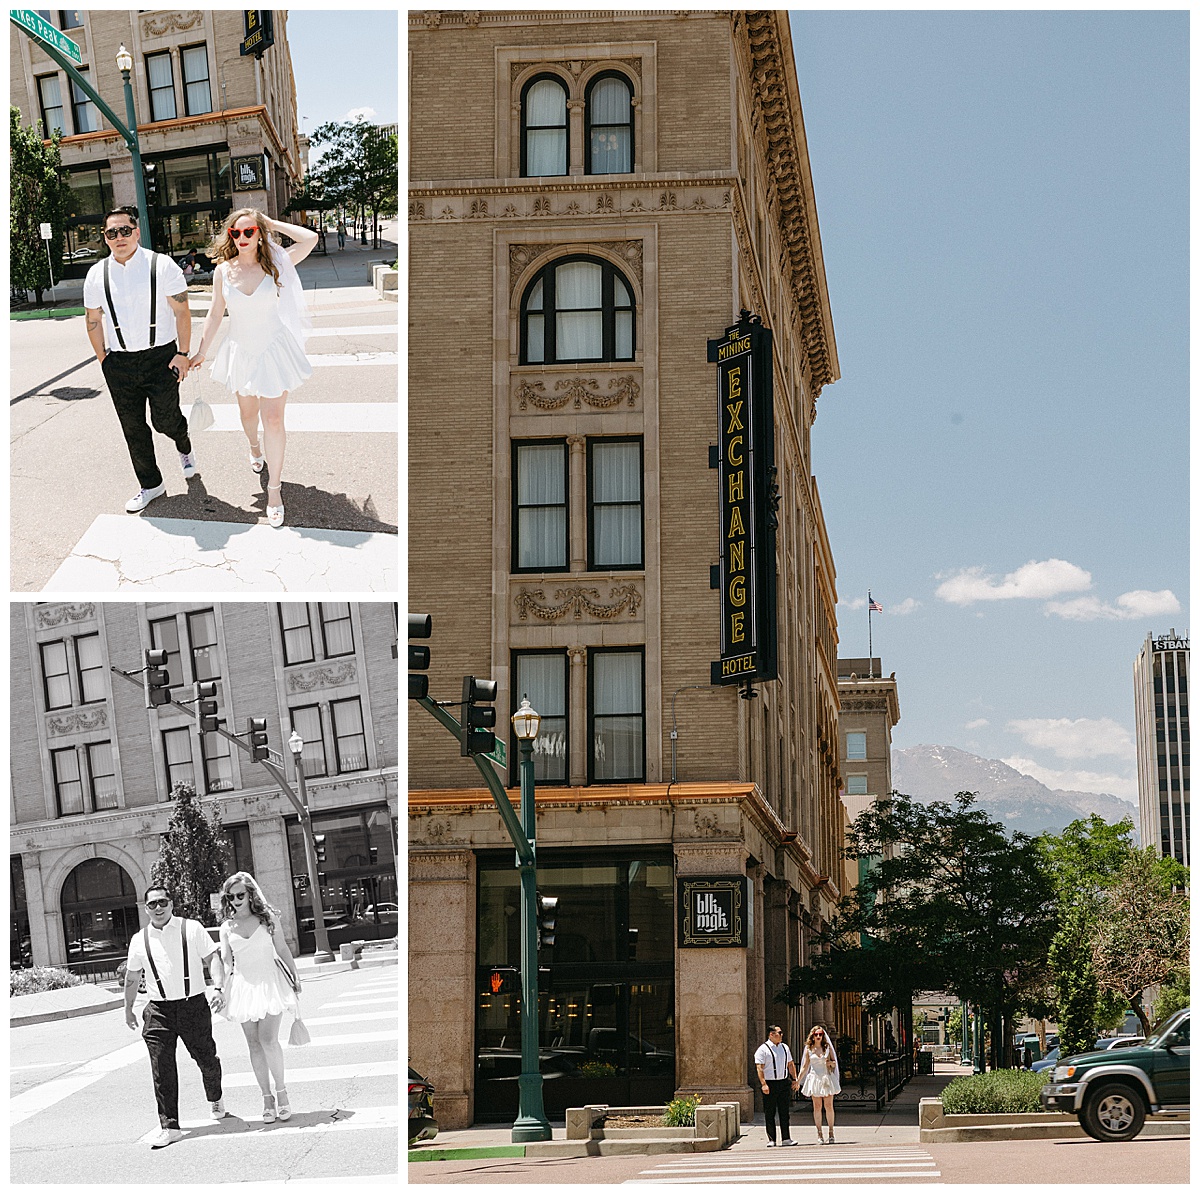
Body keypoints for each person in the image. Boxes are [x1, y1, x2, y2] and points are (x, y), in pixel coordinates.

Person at [189, 209, 318, 527]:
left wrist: (271, 223)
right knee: (248, 417)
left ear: (259, 234)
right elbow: (216, 314)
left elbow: (310, 238)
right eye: (236, 233)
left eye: (249, 232)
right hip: (241, 352)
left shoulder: (276, 263)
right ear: (229, 236)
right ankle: (253, 447)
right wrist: (202, 351)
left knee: (272, 419)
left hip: (274, 350)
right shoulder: (222, 271)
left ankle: (274, 491)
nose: (242, 238)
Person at [84, 207, 198, 513]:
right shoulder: (97, 274)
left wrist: (183, 354)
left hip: (161, 357)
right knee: (133, 428)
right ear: (105, 238)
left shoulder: (161, 266)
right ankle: (151, 484)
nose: (119, 237)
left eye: (124, 230)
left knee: (164, 420)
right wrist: (103, 359)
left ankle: (182, 441)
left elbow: (182, 312)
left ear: (136, 232)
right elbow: (93, 318)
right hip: (118, 363)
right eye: (111, 233)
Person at [123, 885, 227, 1149]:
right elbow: (133, 977)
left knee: (206, 1058)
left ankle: (215, 1096)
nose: (158, 908)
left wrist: (218, 987)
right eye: (152, 905)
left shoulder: (191, 928)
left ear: (171, 903)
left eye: (162, 902)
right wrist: (128, 1008)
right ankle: (170, 1125)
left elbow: (212, 958)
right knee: (162, 1068)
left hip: (193, 1006)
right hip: (158, 1011)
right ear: (145, 909)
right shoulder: (139, 939)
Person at [217, 871, 301, 1123]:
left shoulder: (268, 920)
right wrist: (220, 990)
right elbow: (225, 961)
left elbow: (283, 948)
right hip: (243, 987)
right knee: (253, 1044)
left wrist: (295, 977)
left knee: (268, 1040)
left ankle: (282, 1092)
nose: (236, 900)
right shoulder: (226, 927)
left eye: (240, 894)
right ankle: (266, 1098)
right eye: (231, 897)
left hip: (269, 983)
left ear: (250, 893)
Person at [754, 1024, 800, 1147]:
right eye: (779, 1033)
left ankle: (786, 1138)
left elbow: (790, 1064)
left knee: (784, 1112)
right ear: (771, 1034)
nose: (781, 1035)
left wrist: (795, 1079)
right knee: (770, 1112)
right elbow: (759, 1068)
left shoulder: (784, 1047)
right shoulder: (763, 1049)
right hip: (770, 1083)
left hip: (783, 1082)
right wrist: (763, 1084)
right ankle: (771, 1139)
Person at [796, 1025, 841, 1144]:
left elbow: (834, 1063)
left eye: (820, 1034)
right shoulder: (809, 1048)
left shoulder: (827, 1048)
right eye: (816, 1034)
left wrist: (830, 1063)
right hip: (814, 1078)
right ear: (812, 1036)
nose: (818, 1036)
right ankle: (819, 1133)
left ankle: (831, 1131)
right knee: (817, 1106)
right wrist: (798, 1080)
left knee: (829, 1106)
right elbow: (805, 1066)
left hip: (826, 1077)